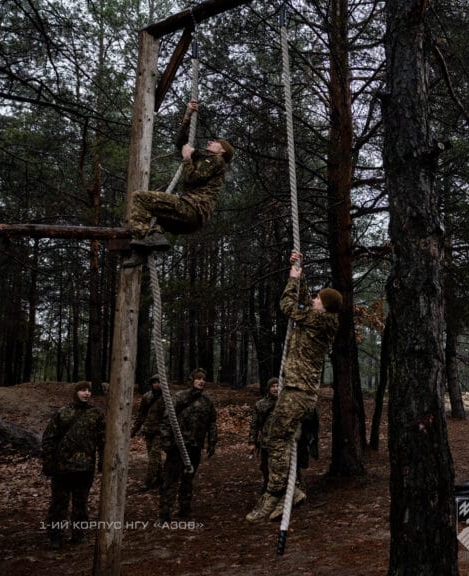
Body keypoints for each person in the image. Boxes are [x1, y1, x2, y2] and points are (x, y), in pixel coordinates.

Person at [247, 251, 341, 522]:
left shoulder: (322, 320)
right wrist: (299, 269)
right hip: (299, 392)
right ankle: (292, 489)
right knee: (284, 440)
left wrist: (292, 279)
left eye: (317, 299)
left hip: (298, 392)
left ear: (324, 306)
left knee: (275, 439)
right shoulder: (320, 318)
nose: (313, 300)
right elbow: (303, 300)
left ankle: (274, 492)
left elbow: (288, 305)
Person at [123, 99, 234, 267]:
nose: (210, 142)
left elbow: (193, 178)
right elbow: (180, 143)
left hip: (191, 209)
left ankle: (145, 237)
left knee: (139, 197)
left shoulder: (217, 161)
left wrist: (187, 159)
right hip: (190, 220)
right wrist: (188, 115)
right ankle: (144, 248)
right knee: (155, 220)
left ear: (223, 150)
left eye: (215, 142)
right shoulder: (205, 159)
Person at [41, 381, 105, 550]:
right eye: (83, 390)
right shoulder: (62, 413)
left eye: (89, 390)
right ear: (75, 392)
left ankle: (79, 534)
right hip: (62, 468)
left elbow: (103, 440)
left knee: (81, 504)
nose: (86, 393)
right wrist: (47, 462)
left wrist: (103, 463)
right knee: (58, 504)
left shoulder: (96, 414)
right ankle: (55, 536)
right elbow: (49, 439)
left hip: (85, 468)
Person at [156, 368, 217, 522]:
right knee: (170, 479)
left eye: (203, 379)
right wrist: (167, 442)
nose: (201, 381)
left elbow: (212, 423)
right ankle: (164, 513)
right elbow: (166, 420)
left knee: (188, 478)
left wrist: (212, 442)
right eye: (198, 378)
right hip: (177, 447)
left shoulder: (207, 402)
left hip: (195, 446)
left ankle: (184, 507)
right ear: (192, 380)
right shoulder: (179, 397)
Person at [130, 374, 164, 491]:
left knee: (154, 456)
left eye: (159, 382)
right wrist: (134, 430)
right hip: (148, 431)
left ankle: (148, 482)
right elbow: (141, 415)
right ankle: (160, 478)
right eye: (154, 382)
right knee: (153, 456)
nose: (157, 384)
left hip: (161, 432)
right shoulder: (147, 397)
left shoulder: (167, 398)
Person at [249, 378, 280, 493]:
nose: (275, 389)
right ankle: (267, 484)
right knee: (265, 466)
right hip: (266, 441)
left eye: (277, 386)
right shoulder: (260, 404)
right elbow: (254, 425)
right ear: (269, 388)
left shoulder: (285, 404)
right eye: (273, 386)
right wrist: (252, 442)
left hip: (281, 442)